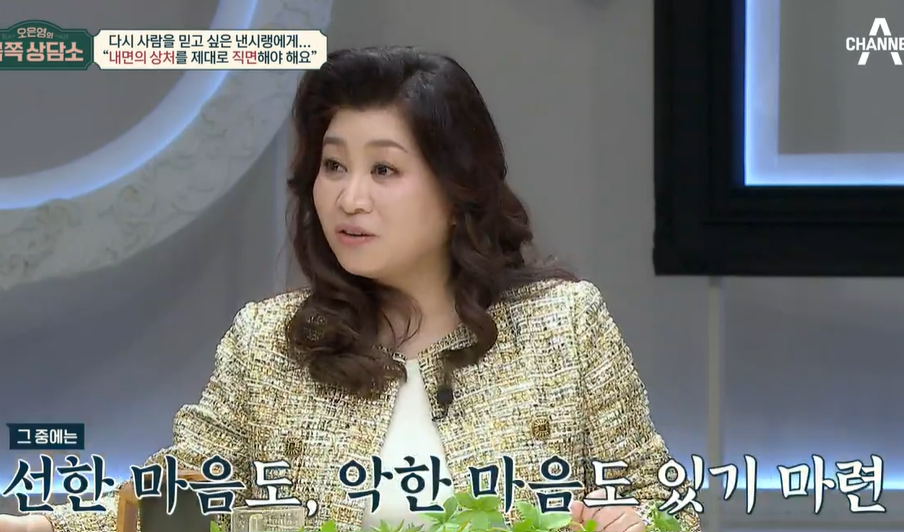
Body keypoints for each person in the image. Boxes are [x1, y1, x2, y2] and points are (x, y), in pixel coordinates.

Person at [0, 46, 700, 532]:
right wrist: (46, 526)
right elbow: (178, 492)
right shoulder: (270, 343)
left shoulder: (562, 327)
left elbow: (667, 502)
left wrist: (636, 520)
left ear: (458, 188)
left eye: (383, 171)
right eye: (333, 167)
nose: (348, 198)